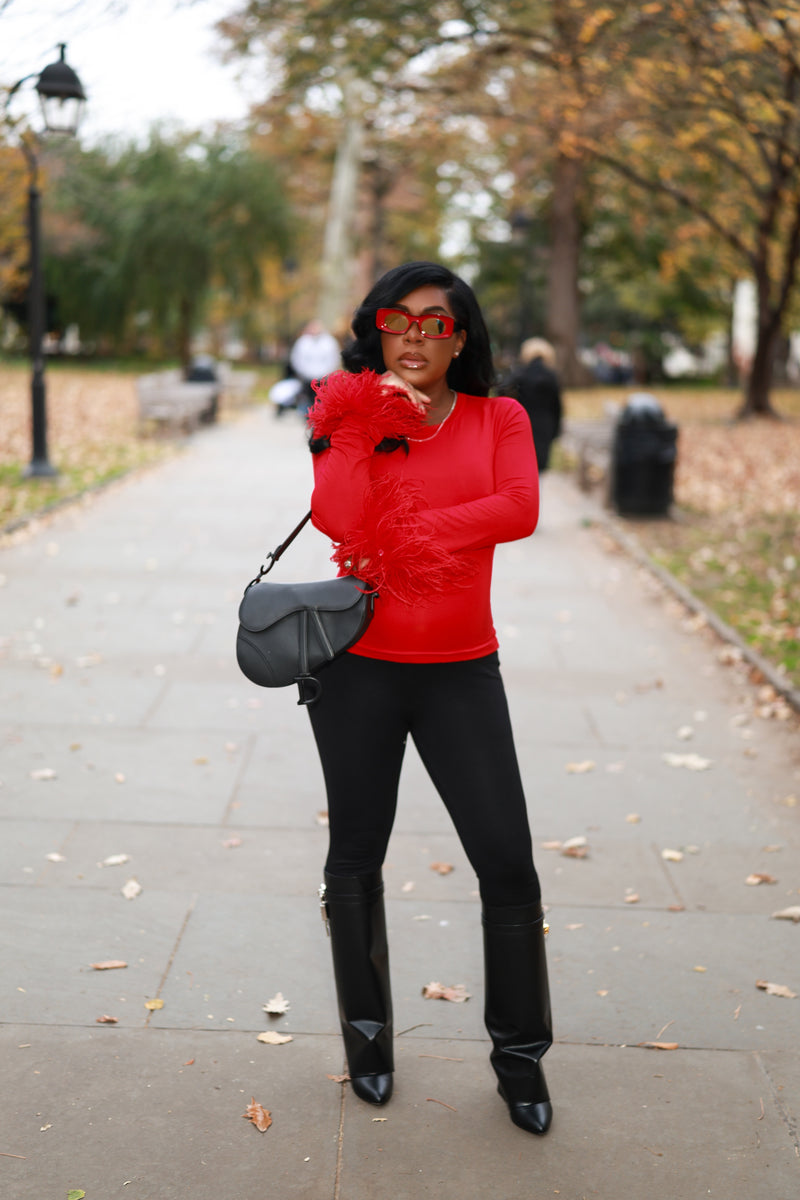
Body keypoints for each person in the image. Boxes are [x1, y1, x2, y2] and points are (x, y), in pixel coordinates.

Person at [305, 261, 552, 1136]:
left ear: (460, 339)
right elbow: (337, 517)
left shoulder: (499, 417)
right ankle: (368, 1048)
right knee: (354, 860)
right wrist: (364, 424)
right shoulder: (345, 418)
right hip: (357, 670)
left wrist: (404, 534)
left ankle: (520, 1061)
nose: (413, 335)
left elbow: (518, 508)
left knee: (508, 862)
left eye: (434, 323)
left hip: (461, 671)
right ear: (377, 330)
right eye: (397, 319)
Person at [503, 338, 563, 471]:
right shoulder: (552, 376)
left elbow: (502, 390)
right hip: (545, 425)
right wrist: (556, 430)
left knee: (521, 466)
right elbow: (557, 406)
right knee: (538, 468)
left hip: (522, 423)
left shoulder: (520, 375)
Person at [289, 320, 342, 416]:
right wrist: (303, 372)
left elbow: (334, 358)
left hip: (324, 377)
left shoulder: (329, 342)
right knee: (307, 398)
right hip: (306, 377)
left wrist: (327, 373)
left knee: (322, 399)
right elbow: (297, 359)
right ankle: (307, 414)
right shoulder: (303, 342)